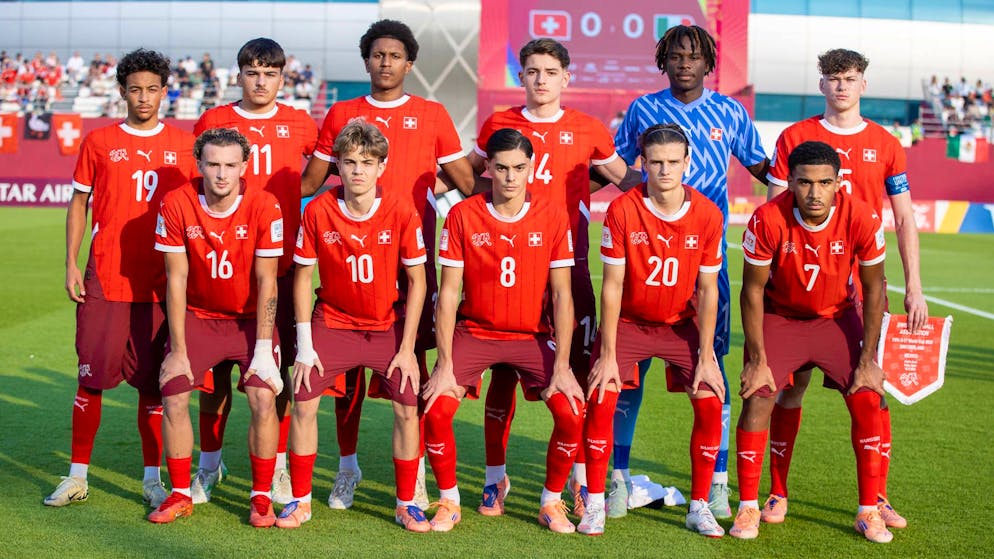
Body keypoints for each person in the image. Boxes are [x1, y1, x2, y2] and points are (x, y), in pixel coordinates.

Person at [300, 18, 474, 510]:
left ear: (409, 63)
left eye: (395, 55)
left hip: (409, 260)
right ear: (367, 60)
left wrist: (434, 193)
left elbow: (465, 180)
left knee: (409, 370)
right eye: (377, 54)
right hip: (348, 256)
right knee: (346, 376)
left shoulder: (433, 114)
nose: (386, 62)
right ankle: (347, 469)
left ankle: (412, 476)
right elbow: (310, 183)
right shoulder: (342, 113)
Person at [466, 38, 640, 518]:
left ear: (567, 77)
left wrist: (671, 191)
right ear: (520, 76)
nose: (540, 79)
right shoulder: (499, 124)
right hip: (507, 270)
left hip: (568, 268)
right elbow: (478, 180)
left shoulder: (588, 129)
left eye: (549, 71)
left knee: (577, 377)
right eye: (531, 70)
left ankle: (581, 482)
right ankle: (494, 480)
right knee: (502, 373)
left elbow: (622, 177)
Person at [609, 24, 769, 518]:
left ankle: (717, 483)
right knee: (627, 377)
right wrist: (646, 187)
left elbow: (766, 169)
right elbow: (609, 163)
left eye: (694, 56)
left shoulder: (729, 112)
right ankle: (615, 478)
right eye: (675, 55)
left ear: (708, 62)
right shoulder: (643, 110)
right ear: (664, 60)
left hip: (705, 266)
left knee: (711, 372)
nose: (684, 63)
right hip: (645, 259)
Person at [763, 49, 927, 529]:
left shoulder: (885, 141)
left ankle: (876, 498)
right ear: (821, 85)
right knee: (787, 393)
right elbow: (774, 208)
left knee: (871, 390)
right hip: (797, 293)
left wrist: (915, 286)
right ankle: (776, 493)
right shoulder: (796, 137)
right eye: (833, 79)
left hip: (859, 295)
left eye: (850, 79)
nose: (841, 87)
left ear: (863, 85)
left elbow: (903, 217)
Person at [46, 48, 197, 510]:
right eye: (135, 89)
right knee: (90, 379)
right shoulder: (98, 141)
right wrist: (72, 262)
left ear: (165, 91)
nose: (144, 97)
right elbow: (79, 204)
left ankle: (153, 479)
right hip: (106, 278)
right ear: (122, 92)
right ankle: (77, 476)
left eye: (153, 89)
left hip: (160, 285)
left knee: (153, 386)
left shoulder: (185, 145)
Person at [421, 128, 585, 533]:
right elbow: (448, 293)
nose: (511, 177)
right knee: (436, 409)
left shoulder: (551, 214)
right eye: (502, 168)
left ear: (531, 168)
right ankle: (451, 500)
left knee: (571, 412)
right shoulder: (462, 214)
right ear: (488, 168)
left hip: (531, 335)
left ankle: (551, 501)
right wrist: (443, 365)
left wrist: (562, 365)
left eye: (519, 168)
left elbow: (563, 296)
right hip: (476, 332)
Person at [730, 140, 891, 543]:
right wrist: (757, 358)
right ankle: (754, 504)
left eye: (824, 182)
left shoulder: (862, 218)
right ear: (789, 181)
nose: (814, 193)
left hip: (836, 319)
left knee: (868, 397)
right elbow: (751, 291)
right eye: (804, 182)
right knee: (759, 394)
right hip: (781, 318)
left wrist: (869, 358)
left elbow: (874, 290)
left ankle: (869, 510)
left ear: (839, 183)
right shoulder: (767, 218)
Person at [277, 121, 428, 531]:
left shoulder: (400, 208)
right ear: (337, 167)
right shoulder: (320, 210)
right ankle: (300, 500)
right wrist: (305, 345)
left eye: (367, 162)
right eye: (348, 162)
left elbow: (418, 280)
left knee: (407, 406)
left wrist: (408, 347)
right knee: (304, 398)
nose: (358, 170)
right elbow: (304, 278)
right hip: (334, 322)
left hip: (386, 326)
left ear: (382, 166)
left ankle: (406, 502)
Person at [578, 124, 726, 537]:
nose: (664, 170)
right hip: (628, 324)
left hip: (681, 326)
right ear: (642, 162)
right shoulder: (623, 209)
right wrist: (607, 353)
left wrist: (707, 353)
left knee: (711, 399)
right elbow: (612, 285)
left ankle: (699, 506)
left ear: (687, 163)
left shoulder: (708, 214)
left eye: (673, 162)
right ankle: (594, 503)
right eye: (655, 162)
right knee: (602, 395)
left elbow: (708, 289)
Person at [191, 37, 318, 506]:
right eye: (252, 72)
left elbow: (315, 175)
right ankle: (209, 464)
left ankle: (278, 466)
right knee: (214, 376)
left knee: (275, 373)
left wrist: (284, 201)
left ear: (282, 78)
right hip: (220, 264)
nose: (260, 81)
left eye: (269, 73)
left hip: (278, 268)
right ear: (239, 75)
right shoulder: (214, 121)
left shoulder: (300, 122)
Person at [147, 127, 284, 526]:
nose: (222, 174)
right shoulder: (176, 202)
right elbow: (176, 279)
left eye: (230, 165)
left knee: (262, 396)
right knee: (173, 393)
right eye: (213, 165)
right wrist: (177, 349)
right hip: (199, 317)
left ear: (244, 166)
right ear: (199, 165)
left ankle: (260, 496)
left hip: (248, 321)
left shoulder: (264, 204)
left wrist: (263, 350)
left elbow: (267, 281)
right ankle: (178, 493)